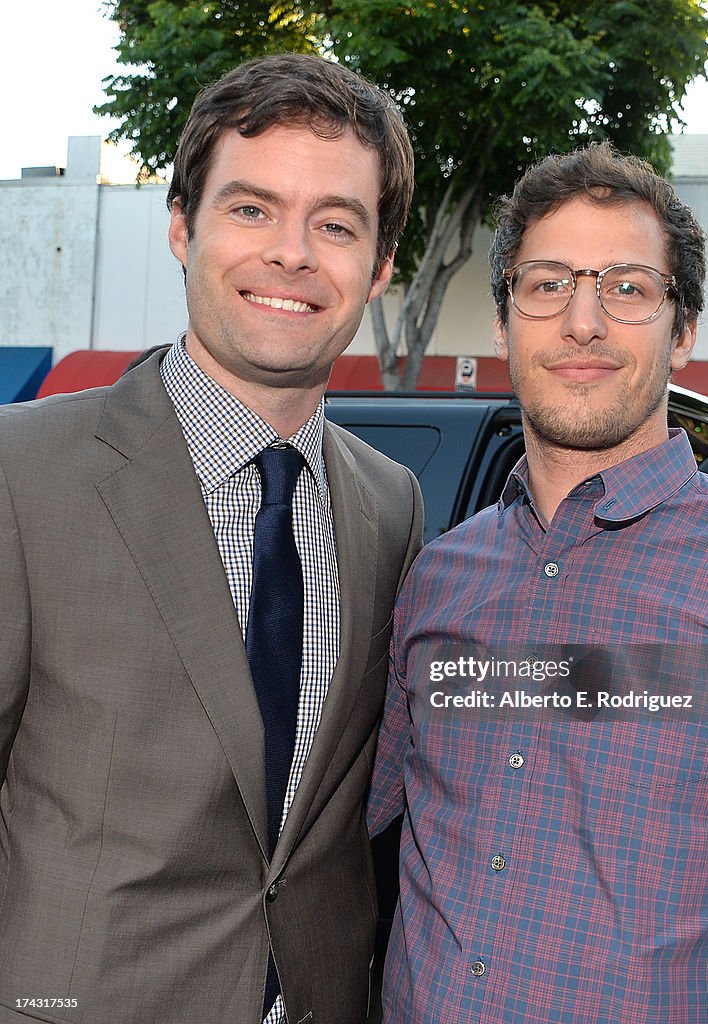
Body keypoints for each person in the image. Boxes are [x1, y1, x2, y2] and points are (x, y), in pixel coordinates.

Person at [0, 53, 423, 1024]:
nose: (291, 252)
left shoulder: (389, 504)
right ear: (183, 226)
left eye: (336, 224)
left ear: (379, 265)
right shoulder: (21, 472)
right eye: (250, 208)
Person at [368, 142, 708, 1023]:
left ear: (682, 328)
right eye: (546, 284)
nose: (582, 322)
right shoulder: (438, 579)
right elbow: (330, 830)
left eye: (626, 287)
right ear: (503, 324)